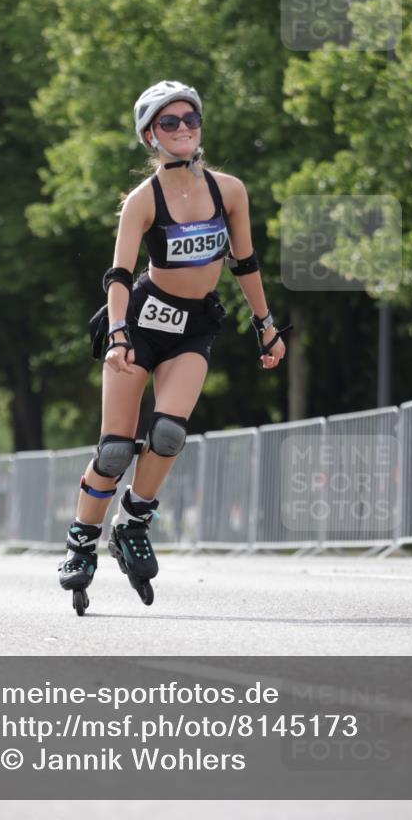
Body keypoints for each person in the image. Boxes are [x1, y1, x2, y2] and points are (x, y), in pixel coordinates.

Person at [58, 80, 290, 615]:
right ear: (150, 135)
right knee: (115, 450)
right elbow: (118, 275)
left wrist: (266, 325)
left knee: (168, 433)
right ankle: (81, 541)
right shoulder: (144, 200)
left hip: (192, 326)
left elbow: (245, 263)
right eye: (169, 121)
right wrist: (118, 333)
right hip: (140, 324)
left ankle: (133, 523)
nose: (183, 128)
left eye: (190, 118)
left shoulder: (229, 191)